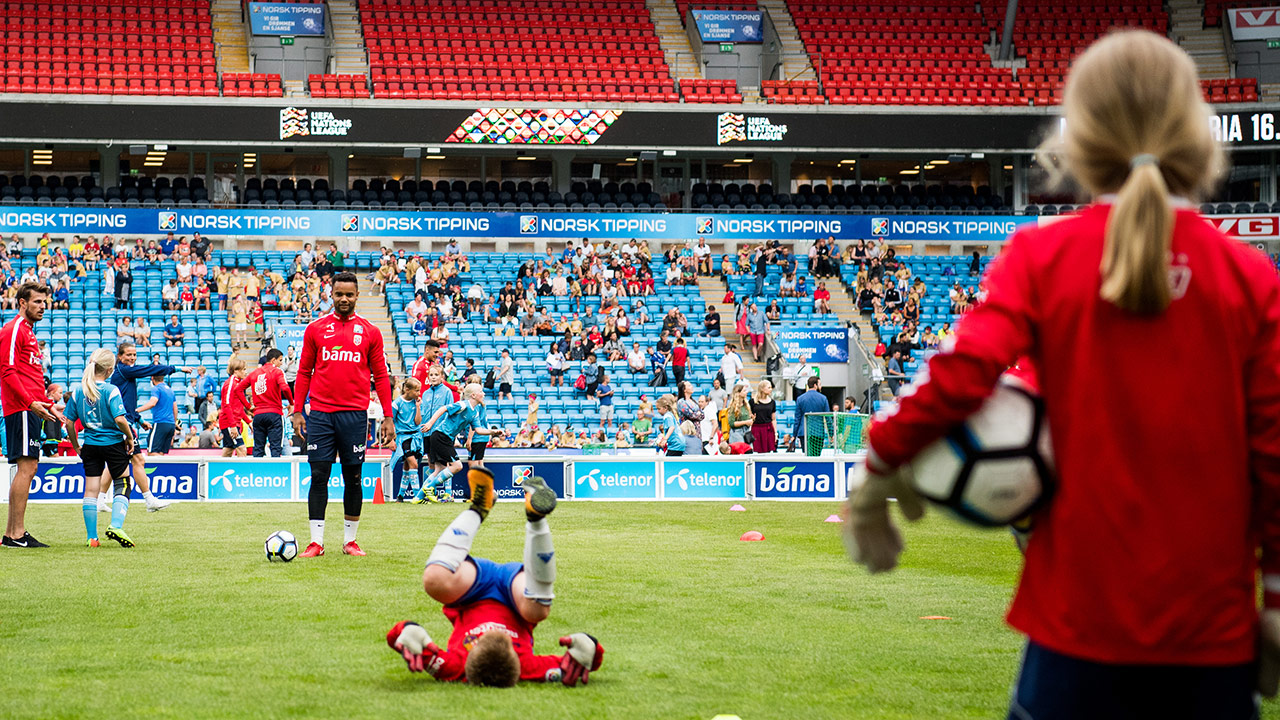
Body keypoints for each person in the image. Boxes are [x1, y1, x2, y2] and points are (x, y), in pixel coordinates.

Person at [844, 32, 1280, 719]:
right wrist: (1276, 602)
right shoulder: (1250, 276)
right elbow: (1274, 456)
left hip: (1074, 630)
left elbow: (959, 378)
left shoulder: (1042, 255)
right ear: (1197, 134)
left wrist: (875, 471)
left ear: (1078, 139)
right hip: (1211, 642)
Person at [385, 469, 602, 686]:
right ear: (515, 660)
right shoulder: (525, 668)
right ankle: (536, 517)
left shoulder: (455, 667)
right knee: (537, 611)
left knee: (435, 580)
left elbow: (398, 637)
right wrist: (590, 645)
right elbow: (578, 661)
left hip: (471, 592)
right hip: (515, 596)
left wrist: (407, 630)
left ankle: (479, 508)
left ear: (470, 658)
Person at [292, 272, 394, 558]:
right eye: (339, 294)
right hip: (322, 414)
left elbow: (381, 376)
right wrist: (298, 409)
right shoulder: (315, 329)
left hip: (355, 414)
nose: (344, 299)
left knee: (353, 477)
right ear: (331, 294)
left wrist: (388, 415)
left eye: (349, 294)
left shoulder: (371, 331)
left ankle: (350, 541)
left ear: (357, 295)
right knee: (319, 475)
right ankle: (316, 542)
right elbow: (303, 372)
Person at [0, 283, 59, 547]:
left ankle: (13, 533)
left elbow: (31, 376)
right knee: (27, 467)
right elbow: (7, 371)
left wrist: (48, 404)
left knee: (27, 467)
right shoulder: (13, 330)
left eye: (44, 302)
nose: (42, 307)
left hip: (33, 407)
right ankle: (16, 533)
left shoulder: (29, 332)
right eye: (36, 302)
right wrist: (31, 403)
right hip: (23, 408)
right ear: (22, 303)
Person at [65, 349, 138, 548]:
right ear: (109, 370)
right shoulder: (110, 390)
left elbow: (69, 422)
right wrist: (129, 437)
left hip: (90, 445)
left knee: (90, 491)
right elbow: (120, 419)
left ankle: (92, 538)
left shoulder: (78, 390)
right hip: (113, 444)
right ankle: (115, 525)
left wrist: (76, 445)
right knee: (122, 483)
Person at [419, 384, 502, 500]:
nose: (484, 394)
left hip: (445, 438)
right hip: (440, 436)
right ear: (473, 395)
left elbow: (479, 430)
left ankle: (418, 497)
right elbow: (443, 409)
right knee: (457, 466)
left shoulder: (474, 413)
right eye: (481, 391)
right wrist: (430, 423)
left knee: (439, 469)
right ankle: (431, 487)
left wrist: (493, 432)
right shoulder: (463, 405)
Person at [237, 349, 293, 458]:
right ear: (273, 360)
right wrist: (291, 403)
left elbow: (238, 389)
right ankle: (275, 474)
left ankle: (256, 473)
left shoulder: (255, 373)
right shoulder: (277, 371)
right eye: (280, 360)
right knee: (276, 449)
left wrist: (248, 407)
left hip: (258, 415)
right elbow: (285, 388)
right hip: (274, 414)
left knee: (258, 449)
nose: (281, 363)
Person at [391, 378, 425, 502]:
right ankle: (418, 496)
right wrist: (391, 440)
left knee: (407, 465)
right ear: (407, 389)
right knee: (414, 464)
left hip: (416, 437)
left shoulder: (416, 402)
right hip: (404, 438)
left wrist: (418, 407)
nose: (418, 393)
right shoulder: (397, 403)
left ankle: (400, 496)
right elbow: (391, 421)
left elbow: (417, 422)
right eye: (416, 391)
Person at [137, 374, 178, 455]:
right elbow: (175, 409)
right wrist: (174, 424)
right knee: (161, 453)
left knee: (152, 452)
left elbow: (152, 403)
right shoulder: (170, 390)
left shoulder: (156, 389)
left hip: (160, 423)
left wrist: (136, 410)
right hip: (171, 424)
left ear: (152, 378)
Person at [218, 358, 249, 457]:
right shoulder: (230, 384)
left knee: (228, 450)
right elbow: (226, 405)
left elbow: (238, 408)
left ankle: (219, 471)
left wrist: (248, 421)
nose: (246, 372)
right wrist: (232, 425)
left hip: (234, 422)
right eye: (243, 369)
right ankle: (243, 472)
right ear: (236, 370)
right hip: (229, 423)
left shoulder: (238, 384)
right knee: (241, 448)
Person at [791, 376, 826, 453]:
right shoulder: (823, 398)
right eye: (819, 384)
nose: (821, 386)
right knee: (817, 457)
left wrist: (794, 434)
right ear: (815, 385)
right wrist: (831, 434)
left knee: (806, 457)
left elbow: (797, 418)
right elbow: (828, 417)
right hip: (818, 432)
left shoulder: (800, 399)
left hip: (804, 432)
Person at [749, 379, 777, 454]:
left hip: (768, 428)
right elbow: (749, 415)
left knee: (768, 451)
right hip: (756, 428)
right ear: (762, 388)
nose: (771, 389)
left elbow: (773, 419)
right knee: (756, 451)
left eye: (771, 387)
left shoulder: (772, 402)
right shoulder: (752, 401)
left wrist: (775, 432)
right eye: (769, 387)